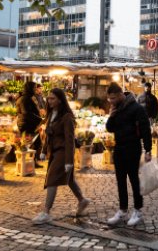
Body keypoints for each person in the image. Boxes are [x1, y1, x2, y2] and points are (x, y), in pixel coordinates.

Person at [32, 88, 91, 224]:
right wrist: (43, 150)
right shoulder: (51, 114)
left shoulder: (67, 118)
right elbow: (48, 134)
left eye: (53, 98)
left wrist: (69, 161)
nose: (49, 100)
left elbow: (70, 140)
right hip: (54, 152)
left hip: (63, 152)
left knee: (52, 179)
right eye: (49, 98)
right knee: (69, 179)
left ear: (60, 100)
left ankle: (46, 212)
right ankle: (82, 200)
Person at [105, 82, 153, 227]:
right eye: (109, 99)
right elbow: (109, 129)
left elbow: (145, 129)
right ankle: (122, 209)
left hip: (133, 147)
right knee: (120, 180)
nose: (111, 101)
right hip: (119, 148)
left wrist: (148, 150)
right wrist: (111, 116)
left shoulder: (136, 108)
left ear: (121, 95)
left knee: (133, 179)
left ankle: (138, 210)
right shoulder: (116, 109)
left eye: (113, 98)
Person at [16, 81, 44, 167]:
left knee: (35, 143)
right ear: (29, 88)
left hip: (30, 124)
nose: (35, 89)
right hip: (27, 124)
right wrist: (40, 119)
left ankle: (32, 162)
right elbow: (26, 113)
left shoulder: (27, 97)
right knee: (30, 144)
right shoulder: (25, 99)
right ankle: (29, 163)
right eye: (34, 87)